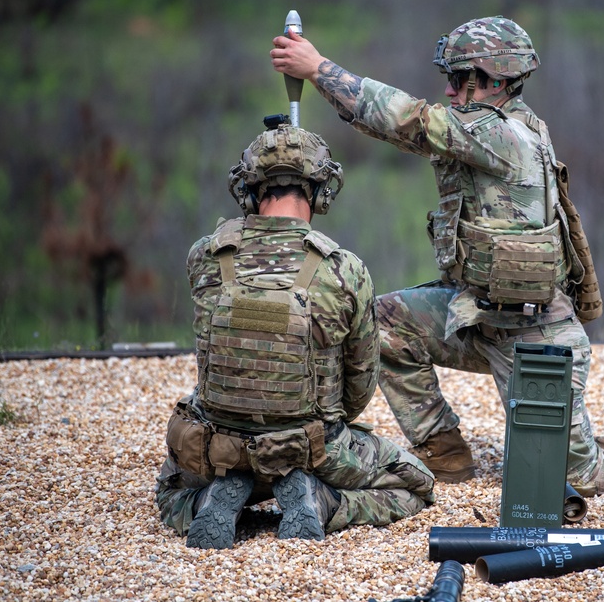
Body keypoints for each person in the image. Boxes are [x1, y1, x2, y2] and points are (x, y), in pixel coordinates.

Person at [270, 16, 604, 496]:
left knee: (576, 474)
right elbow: (409, 128)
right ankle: (446, 454)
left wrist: (318, 70)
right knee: (386, 323)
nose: (450, 89)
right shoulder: (497, 124)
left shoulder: (499, 133)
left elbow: (407, 119)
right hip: (481, 315)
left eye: (460, 78)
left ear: (494, 80)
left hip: (537, 336)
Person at [155, 119, 435, 549]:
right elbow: (359, 386)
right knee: (416, 484)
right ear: (322, 192)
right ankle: (321, 500)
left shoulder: (205, 256)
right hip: (310, 446)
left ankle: (216, 496)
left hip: (218, 446)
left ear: (248, 190)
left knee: (170, 491)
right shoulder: (344, 270)